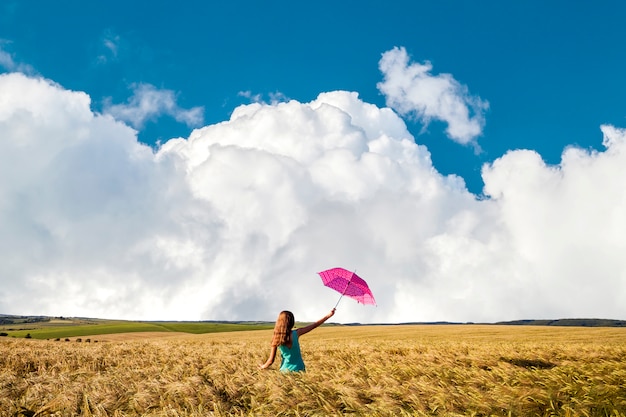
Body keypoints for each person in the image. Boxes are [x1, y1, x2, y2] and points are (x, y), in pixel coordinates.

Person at [259, 308, 335, 372]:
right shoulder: (296, 333)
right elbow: (314, 325)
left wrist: (262, 367)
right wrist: (328, 315)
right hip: (299, 369)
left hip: (285, 371)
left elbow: (270, 361)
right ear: (292, 322)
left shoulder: (276, 339)